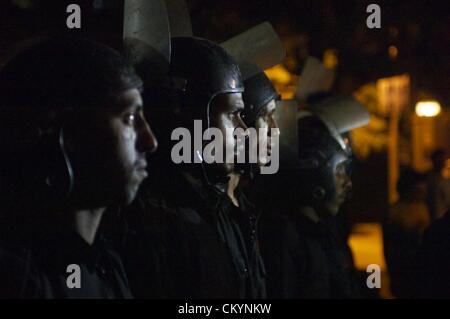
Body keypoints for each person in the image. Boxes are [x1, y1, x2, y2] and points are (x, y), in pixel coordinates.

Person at [0, 36, 157, 298]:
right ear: (66, 133)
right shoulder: (16, 278)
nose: (150, 141)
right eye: (129, 118)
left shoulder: (107, 265)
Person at [122, 37, 254, 298]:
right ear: (189, 118)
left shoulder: (219, 209)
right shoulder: (147, 222)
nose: (243, 130)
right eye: (230, 114)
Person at [384, 167, 430, 298]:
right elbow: (390, 246)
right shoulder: (395, 212)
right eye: (419, 191)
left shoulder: (422, 207)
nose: (423, 194)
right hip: (404, 269)